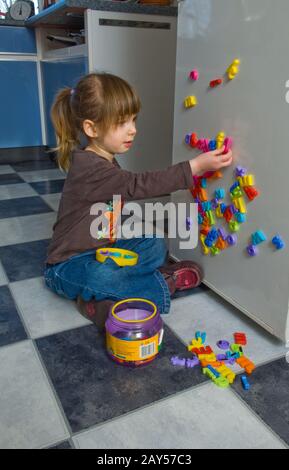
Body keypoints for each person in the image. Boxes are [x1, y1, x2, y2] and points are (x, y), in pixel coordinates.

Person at [44, 72, 233, 330]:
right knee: (98, 275)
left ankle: (104, 300)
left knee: (153, 243)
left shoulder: (105, 159)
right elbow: (137, 185)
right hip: (67, 266)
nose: (133, 129)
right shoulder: (89, 167)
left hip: (103, 250)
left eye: (133, 119)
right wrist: (195, 166)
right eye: (122, 122)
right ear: (92, 128)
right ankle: (162, 284)